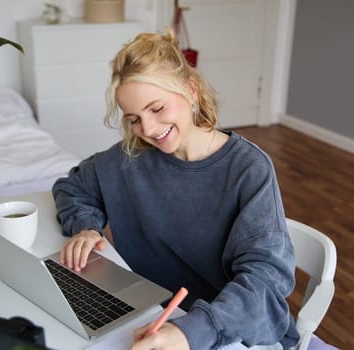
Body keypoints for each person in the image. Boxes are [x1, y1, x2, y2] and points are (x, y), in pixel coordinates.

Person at [52, 29, 298, 350]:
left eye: (157, 109)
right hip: (152, 315)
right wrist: (85, 227)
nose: (148, 130)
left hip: (227, 327)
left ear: (191, 90)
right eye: (134, 119)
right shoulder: (130, 156)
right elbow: (71, 187)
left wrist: (190, 332)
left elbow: (266, 283)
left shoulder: (248, 169)